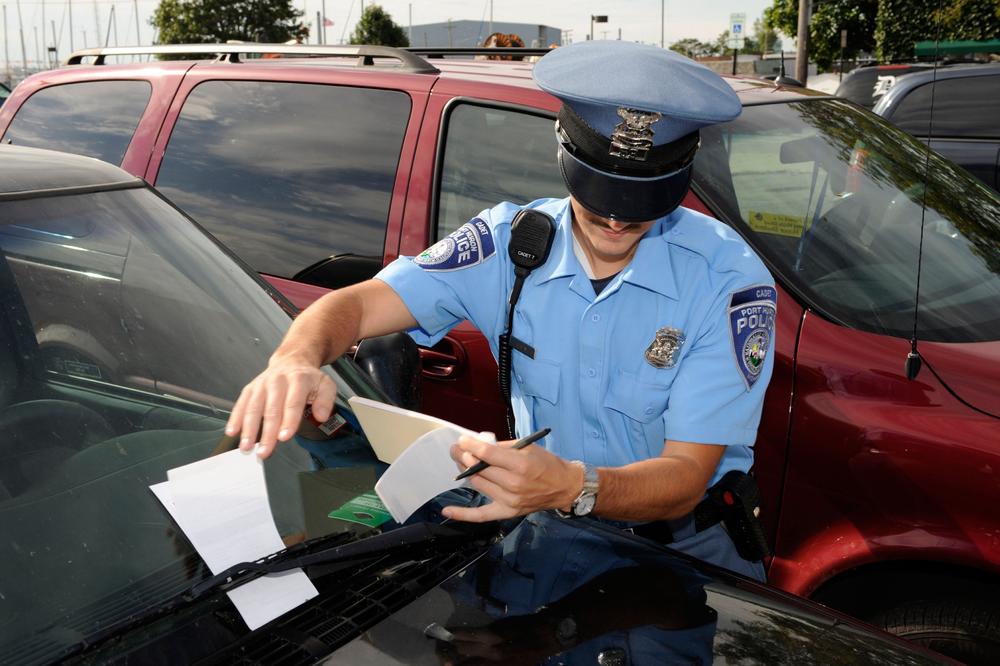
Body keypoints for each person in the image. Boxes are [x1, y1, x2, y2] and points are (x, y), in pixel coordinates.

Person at [226, 40, 776, 580]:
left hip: (682, 557)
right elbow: (355, 304)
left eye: (640, 206)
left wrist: (572, 486)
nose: (616, 221)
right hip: (548, 540)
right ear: (565, 158)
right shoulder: (507, 247)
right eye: (599, 198)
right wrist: (296, 360)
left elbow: (685, 476)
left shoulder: (727, 281)